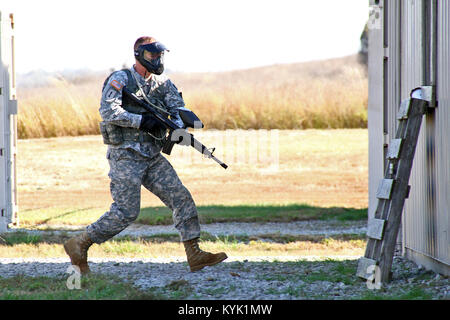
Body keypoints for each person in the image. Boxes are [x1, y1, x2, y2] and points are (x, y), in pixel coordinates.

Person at [64, 36, 227, 274]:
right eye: (153, 55)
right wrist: (142, 121)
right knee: (125, 212)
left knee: (180, 197)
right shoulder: (121, 79)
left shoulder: (163, 83)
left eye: (160, 55)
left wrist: (180, 123)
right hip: (126, 155)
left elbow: (176, 106)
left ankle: (194, 253)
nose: (158, 60)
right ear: (139, 55)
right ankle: (79, 243)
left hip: (151, 155)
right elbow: (108, 111)